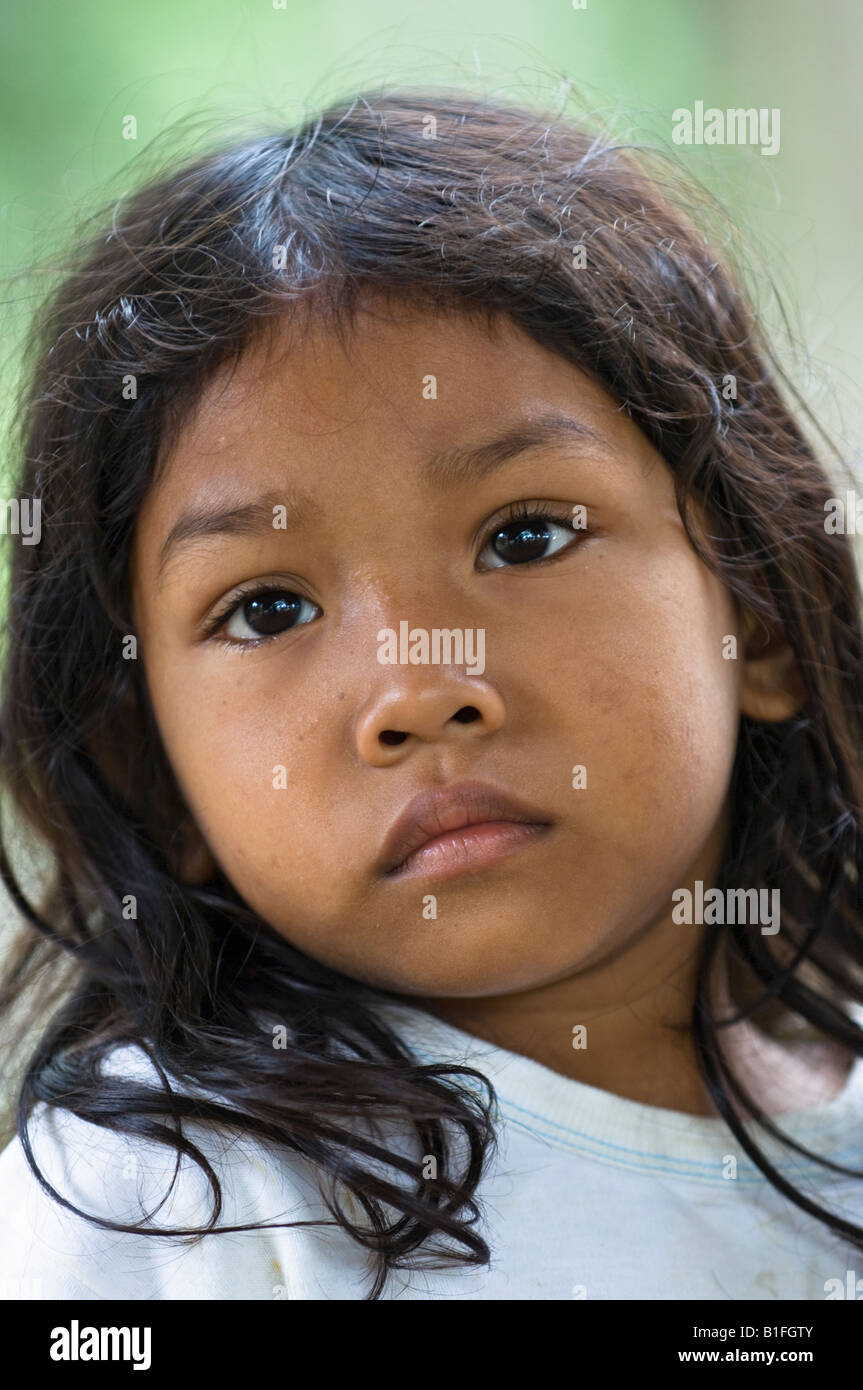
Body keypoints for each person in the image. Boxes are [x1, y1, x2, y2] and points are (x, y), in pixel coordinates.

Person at [0, 89, 861, 1302]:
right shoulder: (165, 1211)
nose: (414, 688)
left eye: (523, 537)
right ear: (158, 779)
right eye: (267, 609)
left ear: (756, 615)